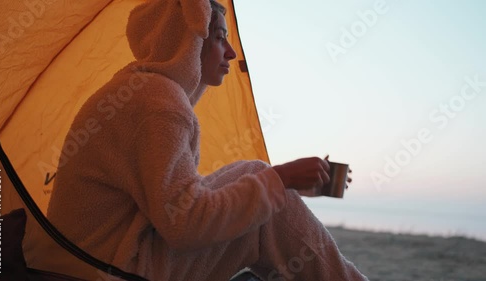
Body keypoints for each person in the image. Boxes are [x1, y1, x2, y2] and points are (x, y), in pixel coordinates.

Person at [47, 0, 368, 280]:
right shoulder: (157, 103)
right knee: (267, 210)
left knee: (255, 172)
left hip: (93, 258)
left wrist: (284, 182)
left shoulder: (141, 91)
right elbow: (186, 225)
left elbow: (174, 204)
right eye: (219, 38)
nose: (230, 51)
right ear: (189, 39)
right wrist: (281, 179)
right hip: (109, 269)